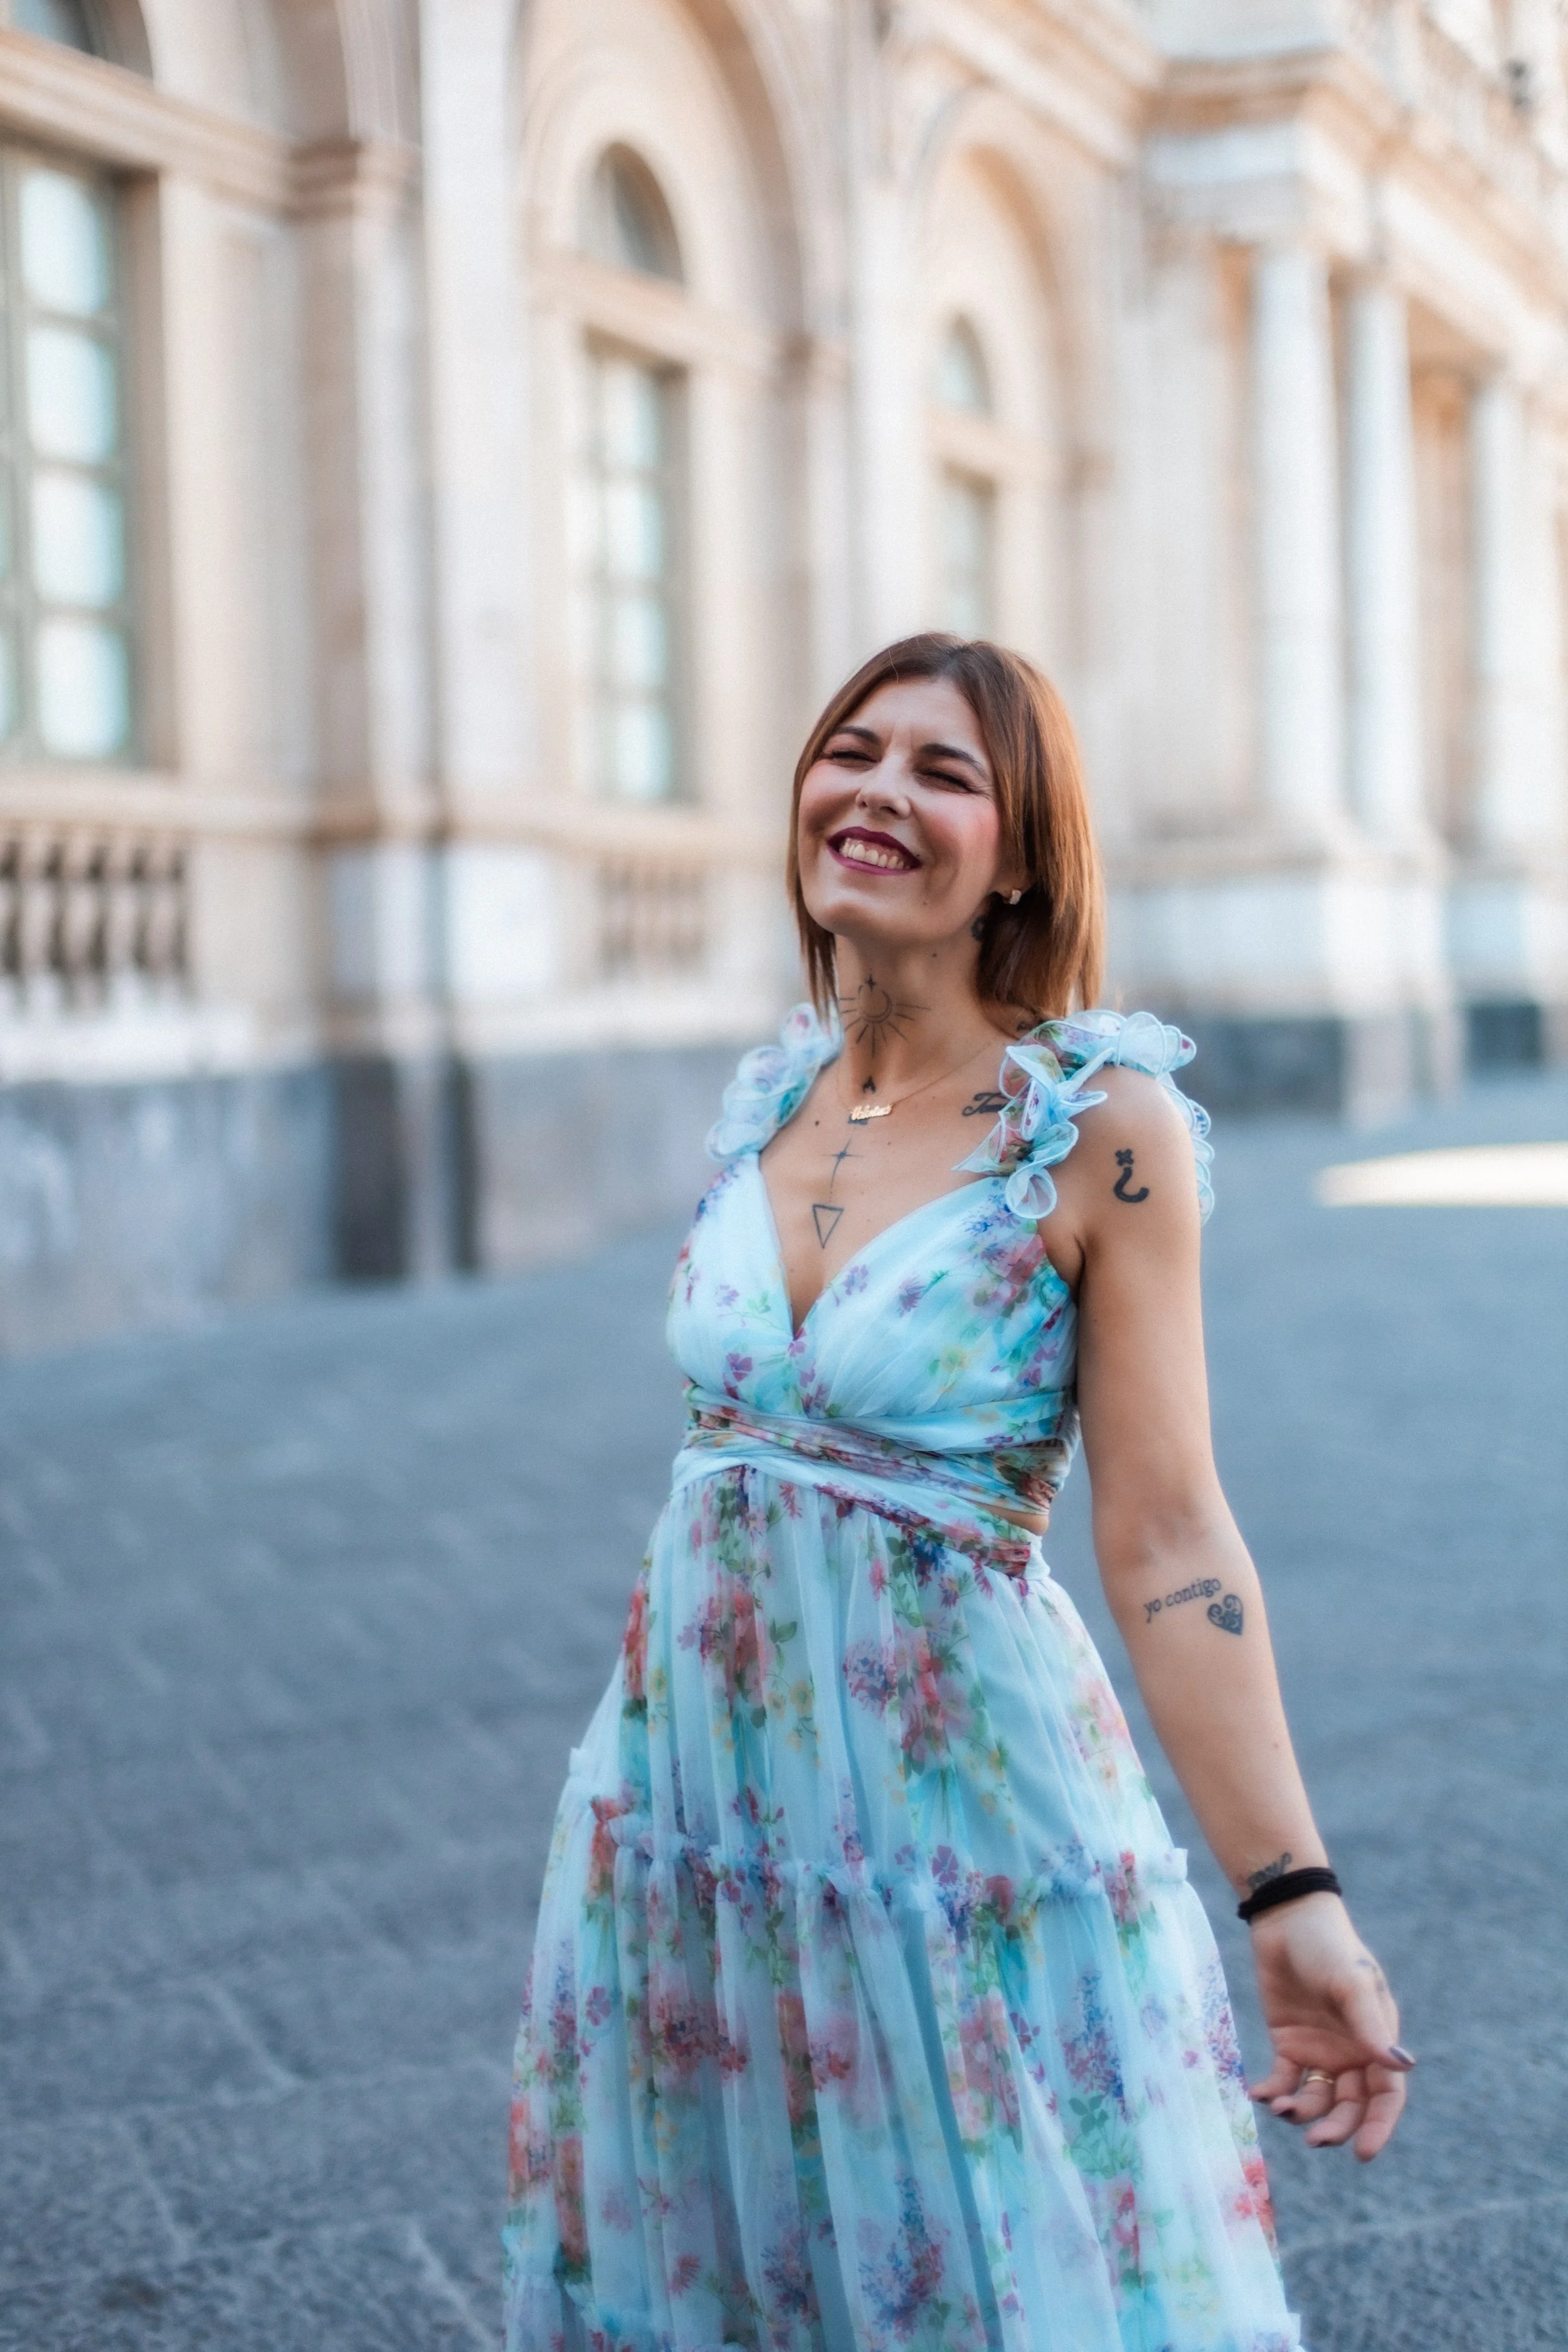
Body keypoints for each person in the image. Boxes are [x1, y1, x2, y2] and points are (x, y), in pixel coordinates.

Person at [503, 635, 1412, 2352]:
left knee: (991, 2265)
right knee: (753, 2261)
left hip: (955, 1822)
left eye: (944, 770)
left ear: (1021, 858)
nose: (875, 792)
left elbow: (1168, 1531)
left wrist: (1291, 1891)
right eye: (851, 750)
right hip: (693, 1804)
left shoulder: (1098, 1125)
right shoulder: (772, 1094)